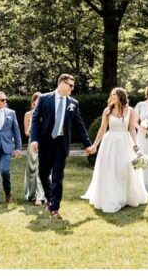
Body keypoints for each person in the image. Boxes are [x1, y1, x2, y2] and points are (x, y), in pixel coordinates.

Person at [29, 74, 94, 220]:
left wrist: (88, 144)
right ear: (62, 83)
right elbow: (35, 119)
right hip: (45, 142)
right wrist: (34, 139)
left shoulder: (73, 103)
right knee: (43, 173)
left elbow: (79, 125)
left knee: (58, 176)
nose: (72, 88)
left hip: (61, 144)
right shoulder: (45, 99)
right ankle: (50, 197)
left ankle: (54, 207)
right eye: (70, 85)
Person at [82, 87, 148, 212]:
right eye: (111, 94)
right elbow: (102, 129)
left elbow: (131, 130)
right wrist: (95, 145)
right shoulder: (107, 111)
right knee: (110, 169)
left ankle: (126, 197)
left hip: (125, 142)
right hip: (110, 142)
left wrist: (136, 145)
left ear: (121, 96)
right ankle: (111, 197)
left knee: (124, 170)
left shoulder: (131, 111)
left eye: (115, 95)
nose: (112, 96)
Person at [23, 92, 45, 205]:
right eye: (37, 99)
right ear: (33, 101)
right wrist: (32, 130)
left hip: (45, 143)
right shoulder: (28, 114)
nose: (39, 101)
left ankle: (40, 196)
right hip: (32, 144)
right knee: (32, 169)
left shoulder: (46, 113)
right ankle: (31, 194)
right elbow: (26, 132)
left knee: (41, 168)